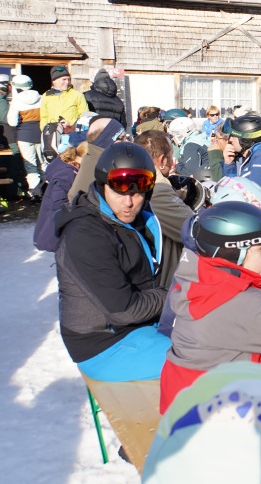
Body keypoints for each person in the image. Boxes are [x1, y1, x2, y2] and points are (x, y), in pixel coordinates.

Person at [159, 201, 261, 413]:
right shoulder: (241, 303)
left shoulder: (198, 272)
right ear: (235, 253)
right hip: (219, 419)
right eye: (260, 248)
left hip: (185, 403)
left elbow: (246, 294)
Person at [55, 142, 171, 381]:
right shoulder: (85, 234)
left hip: (140, 327)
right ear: (102, 185)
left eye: (137, 193)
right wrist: (173, 295)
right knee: (204, 363)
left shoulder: (135, 221)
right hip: (104, 344)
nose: (128, 203)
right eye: (119, 192)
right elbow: (124, 311)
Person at [135, 130, 198, 287]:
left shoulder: (138, 185)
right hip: (165, 286)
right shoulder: (158, 191)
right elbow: (195, 231)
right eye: (171, 156)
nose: (173, 162)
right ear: (162, 160)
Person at [33, 143, 87, 252]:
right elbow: (58, 203)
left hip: (57, 229)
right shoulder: (67, 174)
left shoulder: (69, 169)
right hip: (56, 232)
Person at [67, 117, 133, 202]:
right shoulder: (104, 168)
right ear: (107, 141)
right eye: (121, 138)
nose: (127, 142)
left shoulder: (92, 157)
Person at [215, 114, 261, 193]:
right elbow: (231, 187)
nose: (230, 139)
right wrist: (229, 165)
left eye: (233, 136)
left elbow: (252, 194)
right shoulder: (244, 155)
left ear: (245, 139)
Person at [7, 74, 45, 197]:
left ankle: (35, 192)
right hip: (41, 134)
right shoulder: (42, 98)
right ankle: (47, 189)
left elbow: (12, 122)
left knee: (30, 165)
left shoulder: (16, 102)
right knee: (43, 163)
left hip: (24, 136)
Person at [40, 65, 89, 131]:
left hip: (72, 133)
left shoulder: (77, 95)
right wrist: (44, 130)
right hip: (53, 133)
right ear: (54, 81)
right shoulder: (46, 96)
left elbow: (85, 117)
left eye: (69, 79)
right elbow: (44, 117)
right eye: (64, 79)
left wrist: (71, 124)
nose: (67, 82)